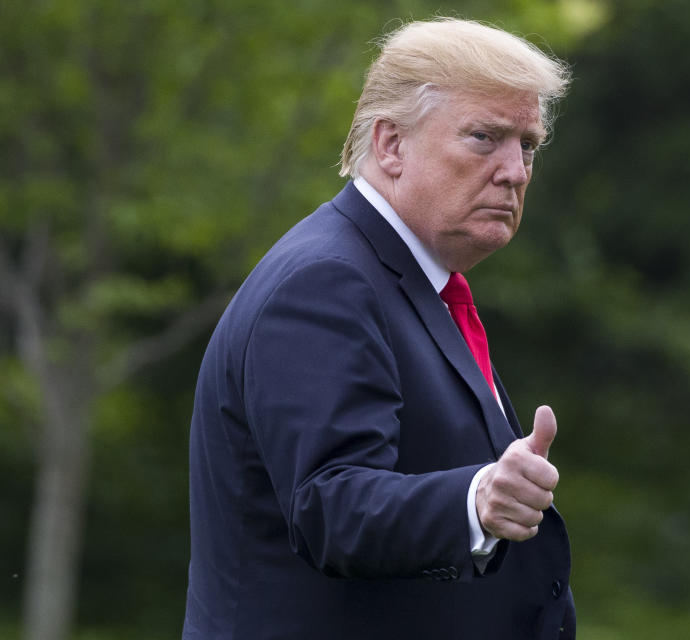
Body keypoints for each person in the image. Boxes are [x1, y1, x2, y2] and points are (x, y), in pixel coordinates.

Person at [182, 17, 574, 640]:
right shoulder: (324, 282)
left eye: (527, 144)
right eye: (484, 137)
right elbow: (330, 508)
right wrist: (474, 501)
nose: (515, 171)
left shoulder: (409, 281)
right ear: (391, 144)